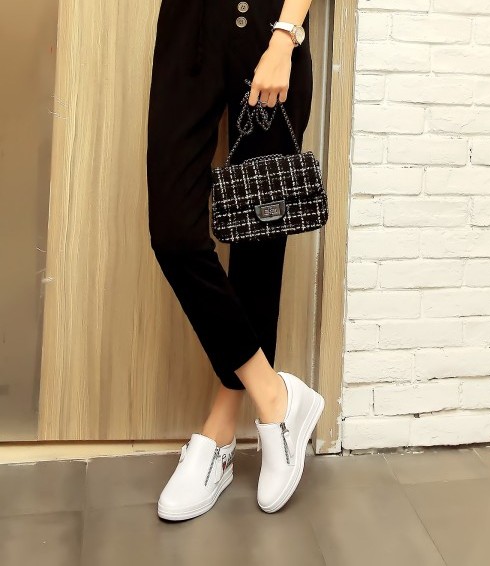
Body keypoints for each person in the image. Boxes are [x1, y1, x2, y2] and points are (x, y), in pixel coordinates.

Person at [145, 0, 323, 519]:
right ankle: (275, 397)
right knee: (174, 235)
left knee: (258, 238)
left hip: (270, 24)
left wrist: (285, 35)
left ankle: (219, 435)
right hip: (189, 24)